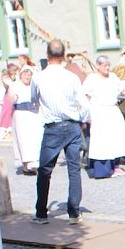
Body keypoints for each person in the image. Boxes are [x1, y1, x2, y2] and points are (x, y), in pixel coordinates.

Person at [30, 38, 89, 224]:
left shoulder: (38, 77)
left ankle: (41, 213)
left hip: (52, 127)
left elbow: (33, 99)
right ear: (64, 56)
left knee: (45, 170)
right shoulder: (71, 77)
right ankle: (74, 213)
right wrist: (82, 120)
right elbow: (85, 104)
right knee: (73, 169)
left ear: (47, 56)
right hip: (71, 125)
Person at [84, 55, 125, 179]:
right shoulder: (92, 78)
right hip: (99, 111)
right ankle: (103, 169)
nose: (107, 68)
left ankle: (114, 165)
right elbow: (85, 95)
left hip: (112, 111)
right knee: (102, 141)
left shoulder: (113, 77)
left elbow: (122, 90)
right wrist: (87, 112)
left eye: (108, 65)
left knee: (115, 138)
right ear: (99, 66)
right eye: (104, 65)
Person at [10, 65, 43, 175]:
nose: (27, 77)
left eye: (29, 74)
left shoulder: (34, 86)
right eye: (25, 74)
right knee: (24, 140)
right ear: (21, 75)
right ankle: (26, 165)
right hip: (21, 115)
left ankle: (33, 163)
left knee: (35, 139)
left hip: (34, 114)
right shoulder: (15, 85)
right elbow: (12, 100)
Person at [0, 63, 19, 137]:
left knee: (11, 114)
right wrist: (1, 100)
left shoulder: (15, 81)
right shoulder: (7, 82)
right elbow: (3, 90)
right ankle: (7, 130)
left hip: (11, 99)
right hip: (8, 99)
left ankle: (10, 130)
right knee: (7, 114)